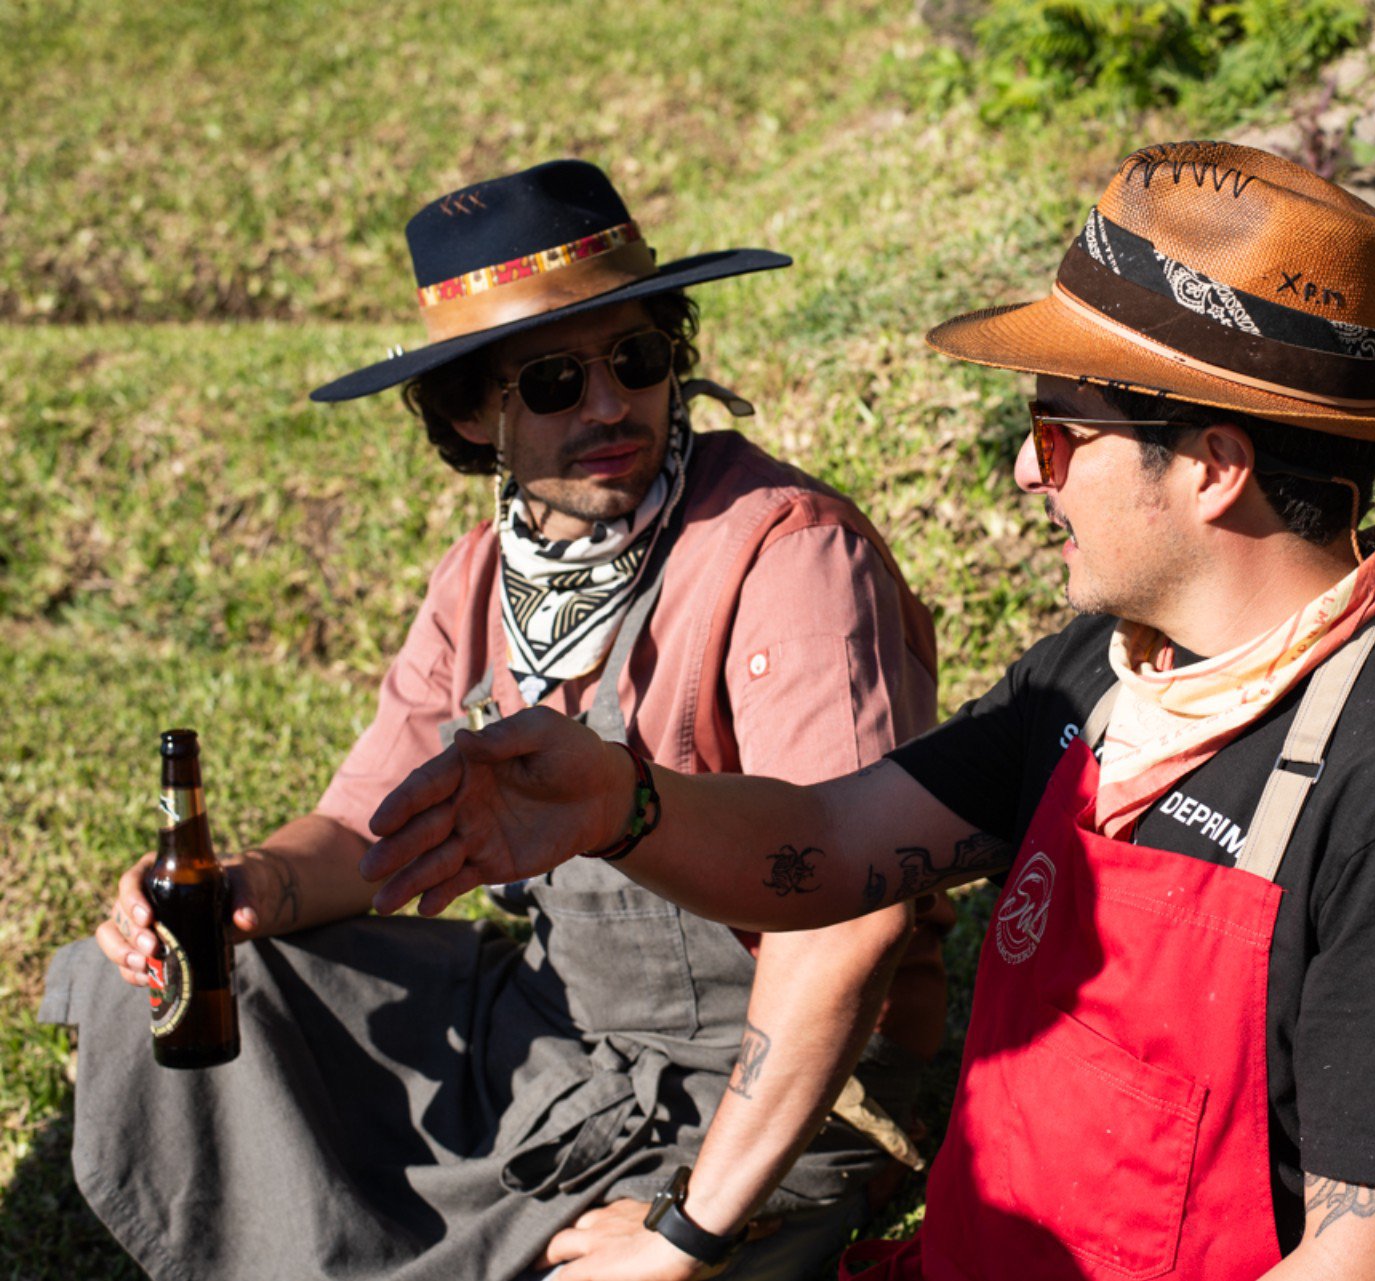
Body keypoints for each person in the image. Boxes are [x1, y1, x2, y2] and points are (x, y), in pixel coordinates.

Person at [361, 141, 1375, 1280]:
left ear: (1212, 467)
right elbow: (833, 850)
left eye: (1057, 435)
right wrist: (621, 803)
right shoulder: (1098, 678)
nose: (1022, 471)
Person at [39, 158, 953, 1281]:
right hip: (561, 1037)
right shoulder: (482, 579)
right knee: (169, 986)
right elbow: (364, 833)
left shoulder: (786, 550)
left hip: (781, 1081)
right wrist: (243, 892)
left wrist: (687, 1231)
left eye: (638, 359)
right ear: (474, 413)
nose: (612, 405)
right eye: (557, 382)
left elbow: (849, 922)